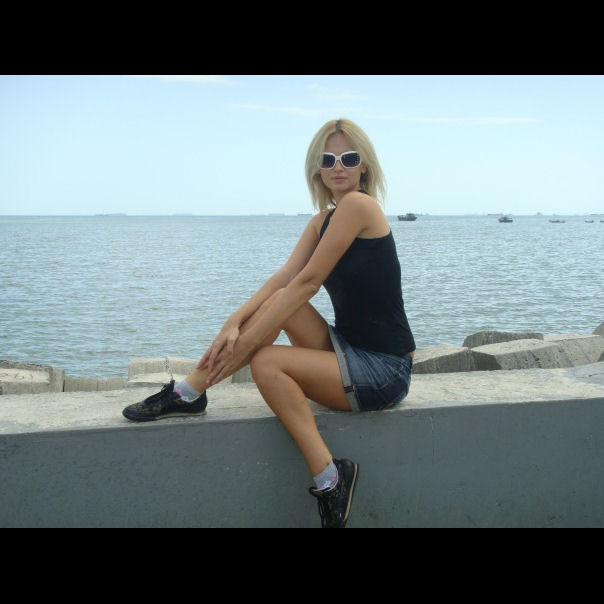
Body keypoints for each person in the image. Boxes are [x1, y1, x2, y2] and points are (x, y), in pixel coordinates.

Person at [122, 118, 416, 528]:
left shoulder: (359, 206)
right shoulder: (321, 221)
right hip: (349, 352)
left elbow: (308, 283)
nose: (338, 167)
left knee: (266, 362)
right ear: (317, 168)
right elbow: (284, 279)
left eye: (349, 158)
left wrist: (244, 345)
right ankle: (190, 391)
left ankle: (331, 478)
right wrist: (233, 322)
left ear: (364, 166)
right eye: (328, 159)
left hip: (385, 369)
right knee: (280, 301)